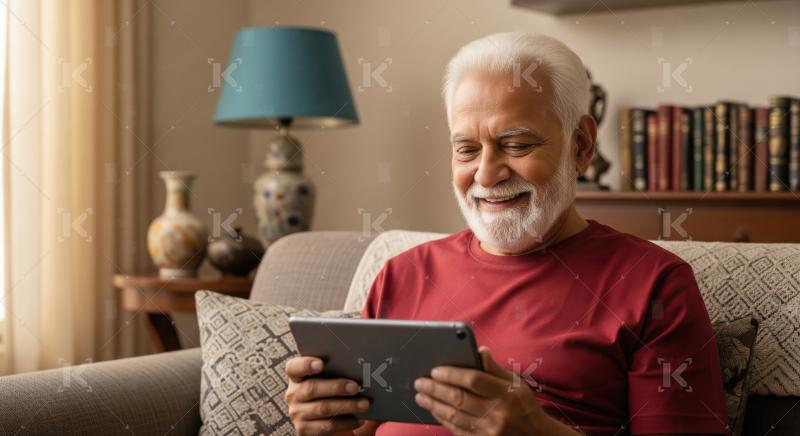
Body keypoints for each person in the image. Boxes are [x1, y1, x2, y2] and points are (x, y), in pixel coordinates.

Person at [284, 32, 728, 436]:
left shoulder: (656, 284)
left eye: (516, 145)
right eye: (467, 150)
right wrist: (327, 427)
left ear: (581, 147)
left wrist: (536, 430)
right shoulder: (402, 273)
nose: (487, 174)